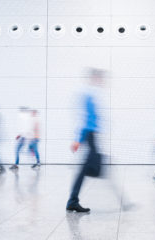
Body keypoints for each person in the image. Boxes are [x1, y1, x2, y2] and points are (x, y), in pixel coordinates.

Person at [66, 68, 105, 213]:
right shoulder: (88, 94)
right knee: (89, 169)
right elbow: (84, 118)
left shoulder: (93, 94)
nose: (102, 81)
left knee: (91, 168)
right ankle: (72, 201)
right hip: (89, 134)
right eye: (100, 78)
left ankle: (72, 200)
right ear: (95, 78)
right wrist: (78, 139)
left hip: (92, 134)